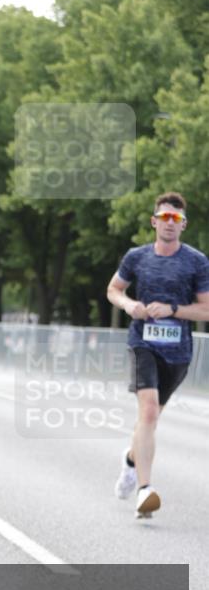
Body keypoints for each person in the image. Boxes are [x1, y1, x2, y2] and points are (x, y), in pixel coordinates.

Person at [107, 192, 209, 518]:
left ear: (183, 225)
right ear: (154, 221)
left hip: (177, 352)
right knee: (148, 412)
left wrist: (173, 309)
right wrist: (129, 306)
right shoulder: (136, 257)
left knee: (149, 421)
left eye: (175, 219)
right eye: (164, 217)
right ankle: (144, 490)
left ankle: (130, 461)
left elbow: (206, 309)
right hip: (143, 344)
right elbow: (114, 290)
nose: (169, 223)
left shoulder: (196, 262)